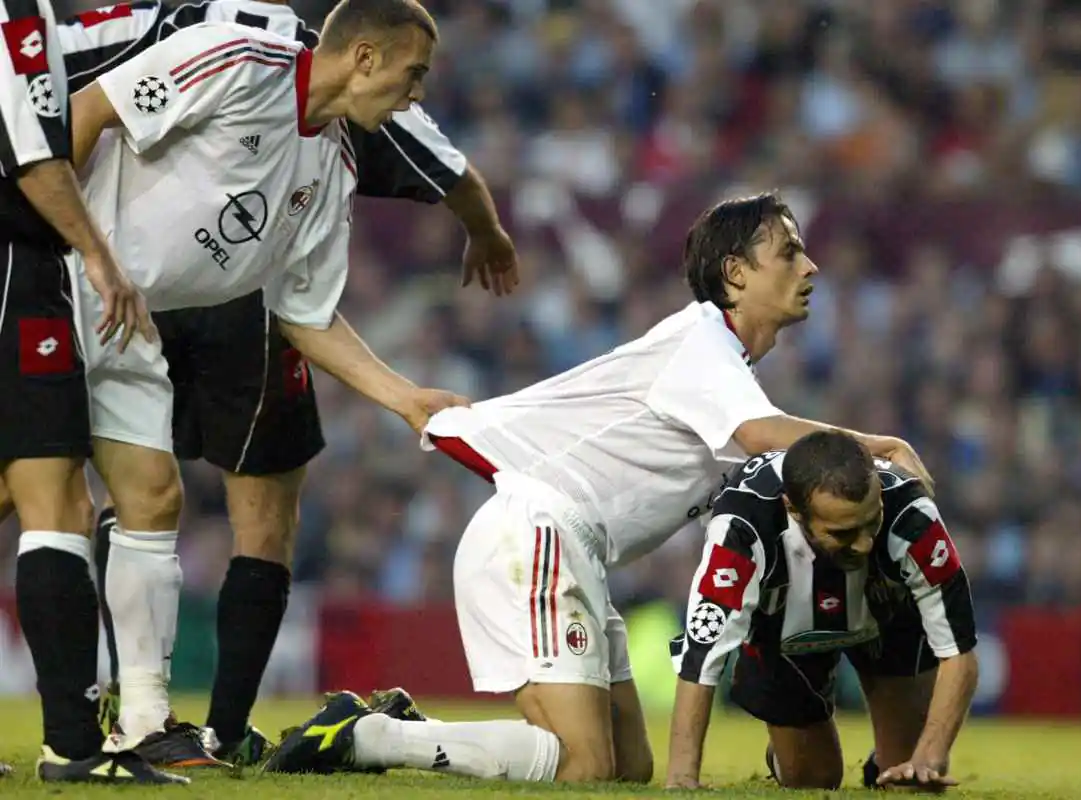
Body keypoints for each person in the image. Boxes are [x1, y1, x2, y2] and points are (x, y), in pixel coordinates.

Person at [263, 191, 933, 784]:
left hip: (572, 548)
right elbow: (759, 434)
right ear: (736, 272)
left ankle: (405, 726)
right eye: (790, 253)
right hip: (540, 532)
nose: (810, 267)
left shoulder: (719, 363)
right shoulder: (702, 341)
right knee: (582, 765)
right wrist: (876, 445)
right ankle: (369, 736)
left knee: (627, 769)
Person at [3, 0, 516, 770]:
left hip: (131, 315)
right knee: (45, 499)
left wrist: (405, 397)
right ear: (364, 58)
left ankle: (142, 725)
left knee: (151, 495)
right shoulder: (236, 60)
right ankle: (80, 739)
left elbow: (304, 315)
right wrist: (61, 256)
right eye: (412, 76)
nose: (416, 96)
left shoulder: (332, 163)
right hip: (64, 276)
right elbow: (86, 112)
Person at [0, 0, 176, 783]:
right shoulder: (14, 16)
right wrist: (98, 258)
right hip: (13, 269)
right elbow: (35, 156)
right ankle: (73, 746)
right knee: (57, 502)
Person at [666, 431, 978, 791]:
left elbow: (960, 653)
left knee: (909, 779)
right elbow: (701, 656)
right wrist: (682, 776)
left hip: (886, 621)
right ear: (793, 510)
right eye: (843, 533)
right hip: (783, 632)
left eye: (872, 521)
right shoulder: (742, 527)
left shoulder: (911, 513)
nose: (863, 543)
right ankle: (788, 752)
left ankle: (886, 760)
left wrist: (930, 757)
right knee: (814, 781)